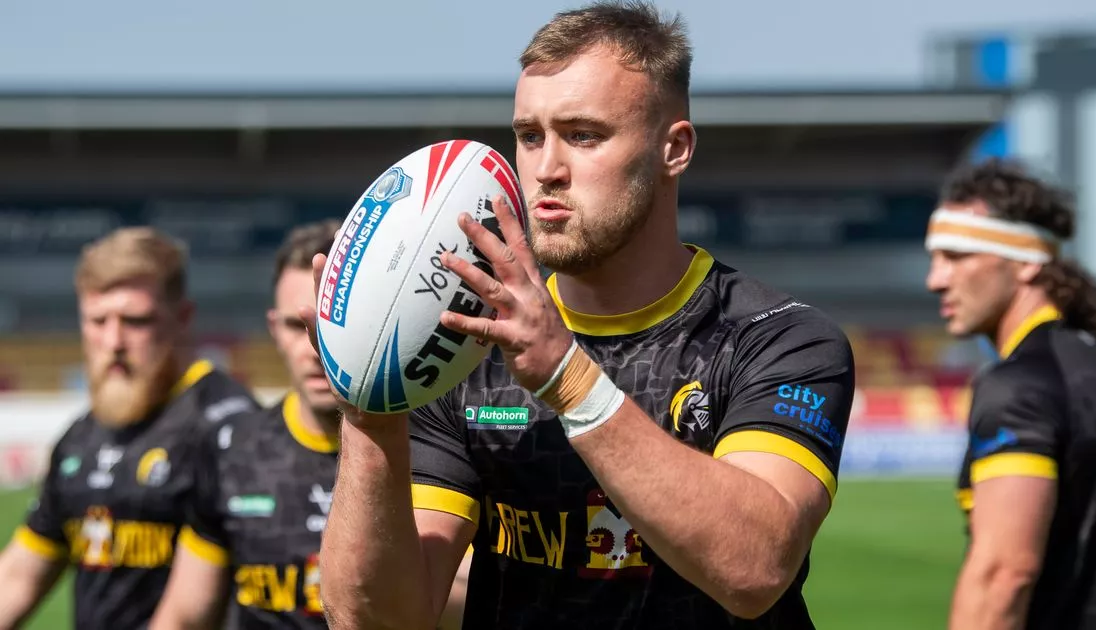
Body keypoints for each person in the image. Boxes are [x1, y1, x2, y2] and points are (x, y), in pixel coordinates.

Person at [305, 2, 856, 629]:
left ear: (673, 149)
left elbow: (754, 568)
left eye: (584, 135)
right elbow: (377, 621)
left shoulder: (777, 338)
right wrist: (369, 419)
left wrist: (567, 378)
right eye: (530, 136)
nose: (546, 170)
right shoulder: (462, 346)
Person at [147, 220, 472, 630]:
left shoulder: (437, 449)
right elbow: (184, 615)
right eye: (295, 325)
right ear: (273, 329)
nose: (317, 348)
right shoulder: (233, 450)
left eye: (337, 323)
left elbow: (461, 601)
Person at [924, 158, 1096, 630]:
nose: (935, 280)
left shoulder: (1019, 387)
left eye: (957, 256)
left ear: (1028, 261)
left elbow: (1003, 575)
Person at [0, 227, 261, 630]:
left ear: (183, 318)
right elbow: (18, 578)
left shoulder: (230, 428)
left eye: (136, 321)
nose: (114, 341)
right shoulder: (82, 436)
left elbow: (190, 615)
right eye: (97, 321)